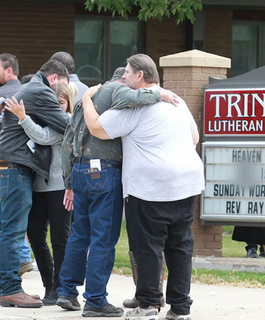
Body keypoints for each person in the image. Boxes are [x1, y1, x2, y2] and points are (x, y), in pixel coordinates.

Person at [82, 54, 204, 320]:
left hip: (149, 187)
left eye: (127, 73)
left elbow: (96, 128)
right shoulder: (176, 100)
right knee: (180, 247)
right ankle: (180, 309)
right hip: (187, 182)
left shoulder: (133, 106)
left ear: (140, 76)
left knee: (148, 247)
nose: (123, 77)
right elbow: (194, 137)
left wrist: (86, 99)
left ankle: (148, 306)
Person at [57, 66, 174, 317]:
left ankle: (67, 291)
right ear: (125, 78)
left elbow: (67, 142)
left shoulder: (84, 100)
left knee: (79, 234)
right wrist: (160, 95)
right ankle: (96, 300)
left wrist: (68, 183)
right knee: (103, 238)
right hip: (104, 172)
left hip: (79, 170)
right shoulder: (116, 89)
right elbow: (134, 98)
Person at [0, 60, 70, 309]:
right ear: (55, 78)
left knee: (7, 230)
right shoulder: (41, 90)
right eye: (63, 85)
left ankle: (5, 288)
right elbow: (68, 126)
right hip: (14, 169)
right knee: (13, 232)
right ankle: (10, 289)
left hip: (8, 168)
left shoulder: (30, 88)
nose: (59, 93)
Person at [0, 54, 35, 278]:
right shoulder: (30, 93)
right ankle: (10, 256)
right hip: (28, 162)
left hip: (3, 163)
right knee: (18, 212)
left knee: (6, 214)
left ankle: (20, 257)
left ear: (10, 71)